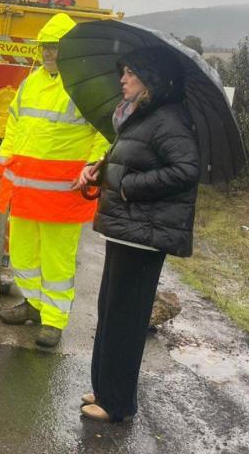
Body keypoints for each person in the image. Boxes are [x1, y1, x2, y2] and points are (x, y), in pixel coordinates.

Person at [73, 46, 201, 422]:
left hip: (145, 235)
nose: (123, 79)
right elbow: (131, 156)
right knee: (110, 311)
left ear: (152, 80)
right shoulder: (138, 116)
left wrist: (128, 186)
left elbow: (185, 170)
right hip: (127, 229)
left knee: (127, 318)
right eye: (123, 72)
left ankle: (118, 403)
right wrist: (99, 168)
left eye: (131, 73)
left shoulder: (169, 118)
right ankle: (103, 387)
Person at [0, 13, 111, 347]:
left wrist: (92, 167)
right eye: (45, 46)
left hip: (64, 193)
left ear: (69, 50)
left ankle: (54, 320)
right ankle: (32, 304)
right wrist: (5, 166)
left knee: (56, 260)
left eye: (55, 47)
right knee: (23, 254)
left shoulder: (86, 86)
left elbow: (104, 133)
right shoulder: (32, 82)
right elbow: (14, 125)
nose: (48, 53)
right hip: (27, 190)